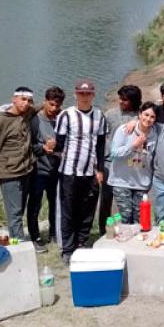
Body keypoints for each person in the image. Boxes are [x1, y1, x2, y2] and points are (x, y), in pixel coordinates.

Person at [54, 79, 107, 264]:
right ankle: (68, 249)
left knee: (87, 209)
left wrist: (100, 169)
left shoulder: (99, 115)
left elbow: (100, 145)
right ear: (76, 94)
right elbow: (58, 144)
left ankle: (82, 242)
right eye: (81, 93)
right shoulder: (66, 115)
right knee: (68, 210)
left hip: (90, 172)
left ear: (93, 95)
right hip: (69, 171)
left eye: (88, 93)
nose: (85, 97)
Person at [0, 86, 37, 243]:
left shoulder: (26, 114)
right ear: (13, 99)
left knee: (19, 211)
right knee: (14, 213)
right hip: (9, 174)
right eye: (23, 99)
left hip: (26, 170)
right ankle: (19, 245)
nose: (26, 103)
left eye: (29, 101)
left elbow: (40, 107)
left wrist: (54, 104)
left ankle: (16, 240)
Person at [109, 102, 159, 225]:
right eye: (146, 115)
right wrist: (133, 145)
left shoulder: (155, 134)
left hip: (142, 183)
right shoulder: (124, 129)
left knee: (139, 219)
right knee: (125, 217)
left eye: (152, 117)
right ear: (139, 114)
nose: (148, 119)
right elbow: (114, 153)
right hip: (121, 181)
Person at [27, 86, 65, 252]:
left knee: (55, 203)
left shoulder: (62, 119)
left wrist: (58, 148)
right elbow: (28, 145)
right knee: (35, 204)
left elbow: (66, 142)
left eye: (57, 105)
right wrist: (43, 149)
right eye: (51, 104)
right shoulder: (34, 120)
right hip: (38, 170)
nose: (54, 109)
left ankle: (54, 233)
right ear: (45, 102)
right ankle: (35, 237)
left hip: (57, 170)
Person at [101, 84, 141, 231]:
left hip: (131, 164)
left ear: (134, 101)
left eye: (125, 100)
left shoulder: (141, 115)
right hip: (109, 162)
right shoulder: (110, 114)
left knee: (129, 200)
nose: (121, 102)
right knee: (106, 199)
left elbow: (152, 118)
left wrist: (136, 120)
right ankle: (103, 229)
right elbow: (101, 137)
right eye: (120, 98)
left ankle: (130, 228)